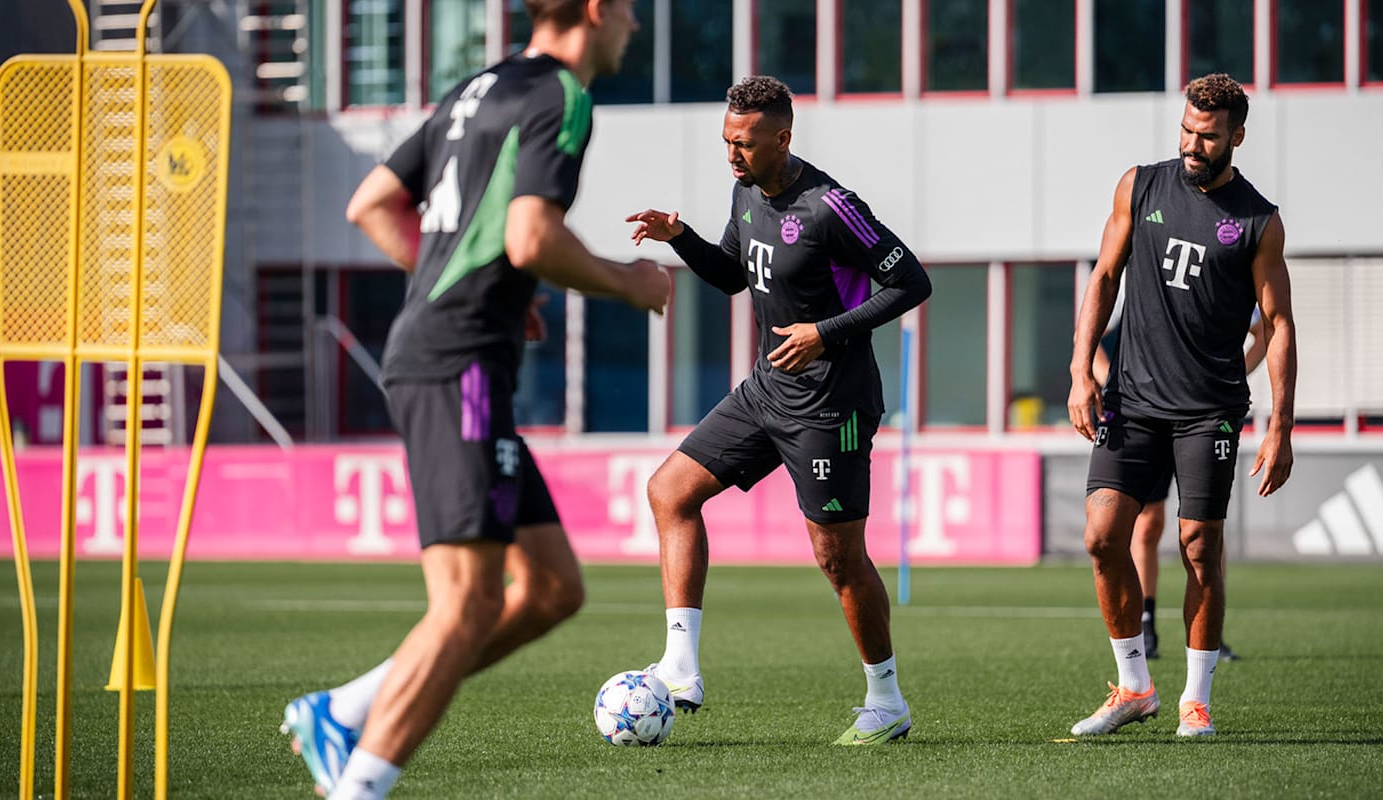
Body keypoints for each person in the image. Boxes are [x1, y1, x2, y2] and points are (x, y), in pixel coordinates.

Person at [279, 2, 670, 797]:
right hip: (457, 364)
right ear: (595, 11)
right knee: (466, 604)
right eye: (628, 10)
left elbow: (372, 205)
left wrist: (469, 279)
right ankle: (358, 785)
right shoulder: (563, 95)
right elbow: (532, 236)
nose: (633, 25)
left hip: (450, 355)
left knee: (552, 589)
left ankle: (345, 709)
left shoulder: (474, 89)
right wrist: (626, 282)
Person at [626, 75, 932, 745]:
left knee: (837, 559)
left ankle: (886, 701)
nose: (732, 155)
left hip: (831, 407)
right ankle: (681, 667)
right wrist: (680, 237)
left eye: (745, 143)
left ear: (783, 139)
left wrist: (826, 332)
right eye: (727, 141)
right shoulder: (745, 191)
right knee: (670, 491)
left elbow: (912, 281)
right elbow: (733, 275)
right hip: (767, 390)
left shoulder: (831, 207)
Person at [1066, 73, 1296, 738]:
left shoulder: (1258, 220)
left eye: (1209, 136)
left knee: (1199, 545)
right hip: (1131, 400)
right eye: (1188, 131)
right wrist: (1080, 370)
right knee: (1102, 537)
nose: (1194, 145)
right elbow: (1104, 276)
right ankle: (1134, 685)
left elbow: (1278, 324)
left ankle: (1195, 700)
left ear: (1237, 137)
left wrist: (1280, 426)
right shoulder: (1140, 186)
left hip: (1208, 410)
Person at [1095, 310, 1267, 661]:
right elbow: (1089, 332)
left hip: (1203, 416)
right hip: (1146, 417)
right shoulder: (1132, 280)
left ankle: (1211, 636)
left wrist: (1232, 375)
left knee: (1205, 533)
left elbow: (1266, 331)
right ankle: (1146, 625)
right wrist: (1114, 381)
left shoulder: (1226, 277)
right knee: (1146, 524)